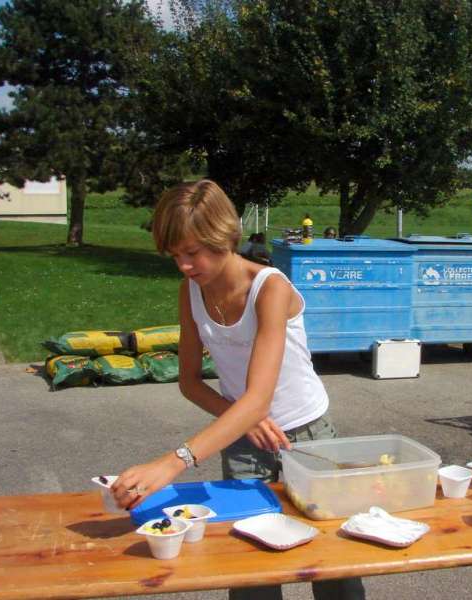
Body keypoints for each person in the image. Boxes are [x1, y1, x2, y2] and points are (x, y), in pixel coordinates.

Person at [111, 179, 364, 600]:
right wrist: (249, 419)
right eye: (176, 255)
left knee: (331, 561)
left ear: (224, 237)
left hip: (309, 436)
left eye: (192, 253)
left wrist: (173, 463)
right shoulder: (190, 291)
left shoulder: (271, 288)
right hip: (243, 438)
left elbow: (258, 397)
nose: (184, 266)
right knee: (249, 563)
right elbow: (189, 382)